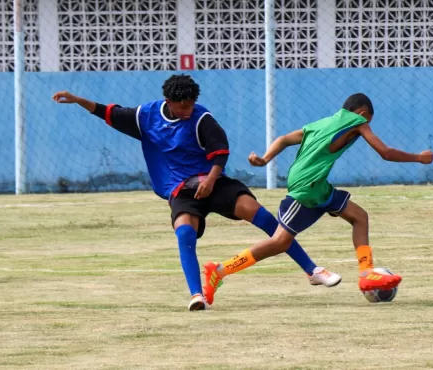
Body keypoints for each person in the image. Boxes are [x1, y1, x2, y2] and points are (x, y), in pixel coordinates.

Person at [52, 74, 341, 312]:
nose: (188, 110)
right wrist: (78, 100)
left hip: (212, 181)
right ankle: (196, 295)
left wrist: (211, 179)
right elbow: (109, 112)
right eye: (183, 105)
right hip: (182, 189)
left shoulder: (201, 118)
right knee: (185, 233)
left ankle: (312, 270)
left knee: (259, 215)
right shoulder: (147, 116)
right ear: (169, 102)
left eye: (191, 104)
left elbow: (221, 151)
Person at [202, 93, 433, 305]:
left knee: (359, 216)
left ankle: (366, 273)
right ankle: (220, 270)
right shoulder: (358, 122)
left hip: (318, 186)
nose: (367, 126)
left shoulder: (321, 123)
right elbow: (385, 152)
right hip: (307, 187)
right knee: (279, 242)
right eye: (368, 121)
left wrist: (265, 159)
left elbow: (283, 139)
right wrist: (419, 158)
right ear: (362, 114)